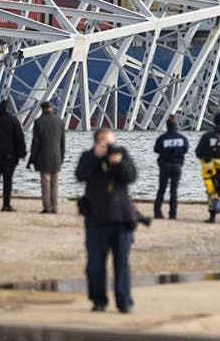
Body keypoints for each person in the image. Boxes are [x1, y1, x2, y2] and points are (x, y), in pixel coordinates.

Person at [76, 127, 137, 313]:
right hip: (96, 220)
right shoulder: (88, 157)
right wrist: (96, 157)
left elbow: (131, 176)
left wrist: (118, 163)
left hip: (120, 219)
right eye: (103, 142)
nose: (108, 146)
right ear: (96, 142)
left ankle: (124, 301)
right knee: (95, 264)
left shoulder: (122, 154)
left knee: (122, 264)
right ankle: (98, 300)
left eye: (110, 142)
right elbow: (80, 175)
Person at [29, 101, 66, 214]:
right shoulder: (59, 121)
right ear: (52, 109)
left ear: (42, 109)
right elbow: (62, 142)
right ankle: (55, 207)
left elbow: (35, 142)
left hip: (43, 156)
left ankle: (47, 207)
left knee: (45, 182)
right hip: (56, 156)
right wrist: (62, 157)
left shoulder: (39, 122)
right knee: (55, 183)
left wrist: (32, 158)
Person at [153, 114, 188, 220]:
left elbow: (156, 150)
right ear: (176, 125)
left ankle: (157, 213)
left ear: (167, 126)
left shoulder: (162, 138)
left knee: (161, 189)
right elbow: (185, 149)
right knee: (174, 191)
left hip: (164, 166)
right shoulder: (182, 138)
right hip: (177, 166)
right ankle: (173, 214)